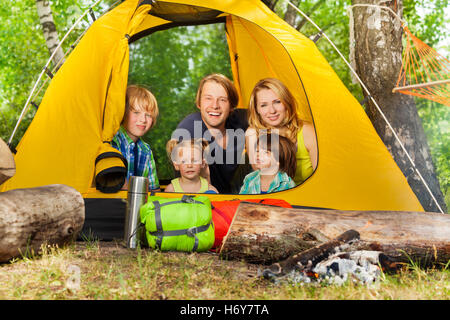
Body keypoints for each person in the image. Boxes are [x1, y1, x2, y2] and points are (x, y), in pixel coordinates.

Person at [174, 73, 249, 194]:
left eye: (223, 100)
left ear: (231, 106)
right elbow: (185, 187)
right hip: (206, 197)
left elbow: (268, 115)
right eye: (208, 98)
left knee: (258, 136)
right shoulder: (188, 131)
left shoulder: (240, 119)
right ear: (199, 103)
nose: (215, 106)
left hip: (238, 193)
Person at [246, 78, 318, 185]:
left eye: (277, 102)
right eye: (264, 105)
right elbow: (262, 182)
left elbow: (321, 178)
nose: (272, 111)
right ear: (256, 109)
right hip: (273, 197)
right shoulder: (253, 134)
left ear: (287, 102)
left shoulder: (307, 131)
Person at [112, 85, 160, 191]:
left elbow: (154, 190)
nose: (143, 119)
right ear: (123, 113)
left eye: (148, 115)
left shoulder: (146, 151)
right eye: (136, 112)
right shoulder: (112, 141)